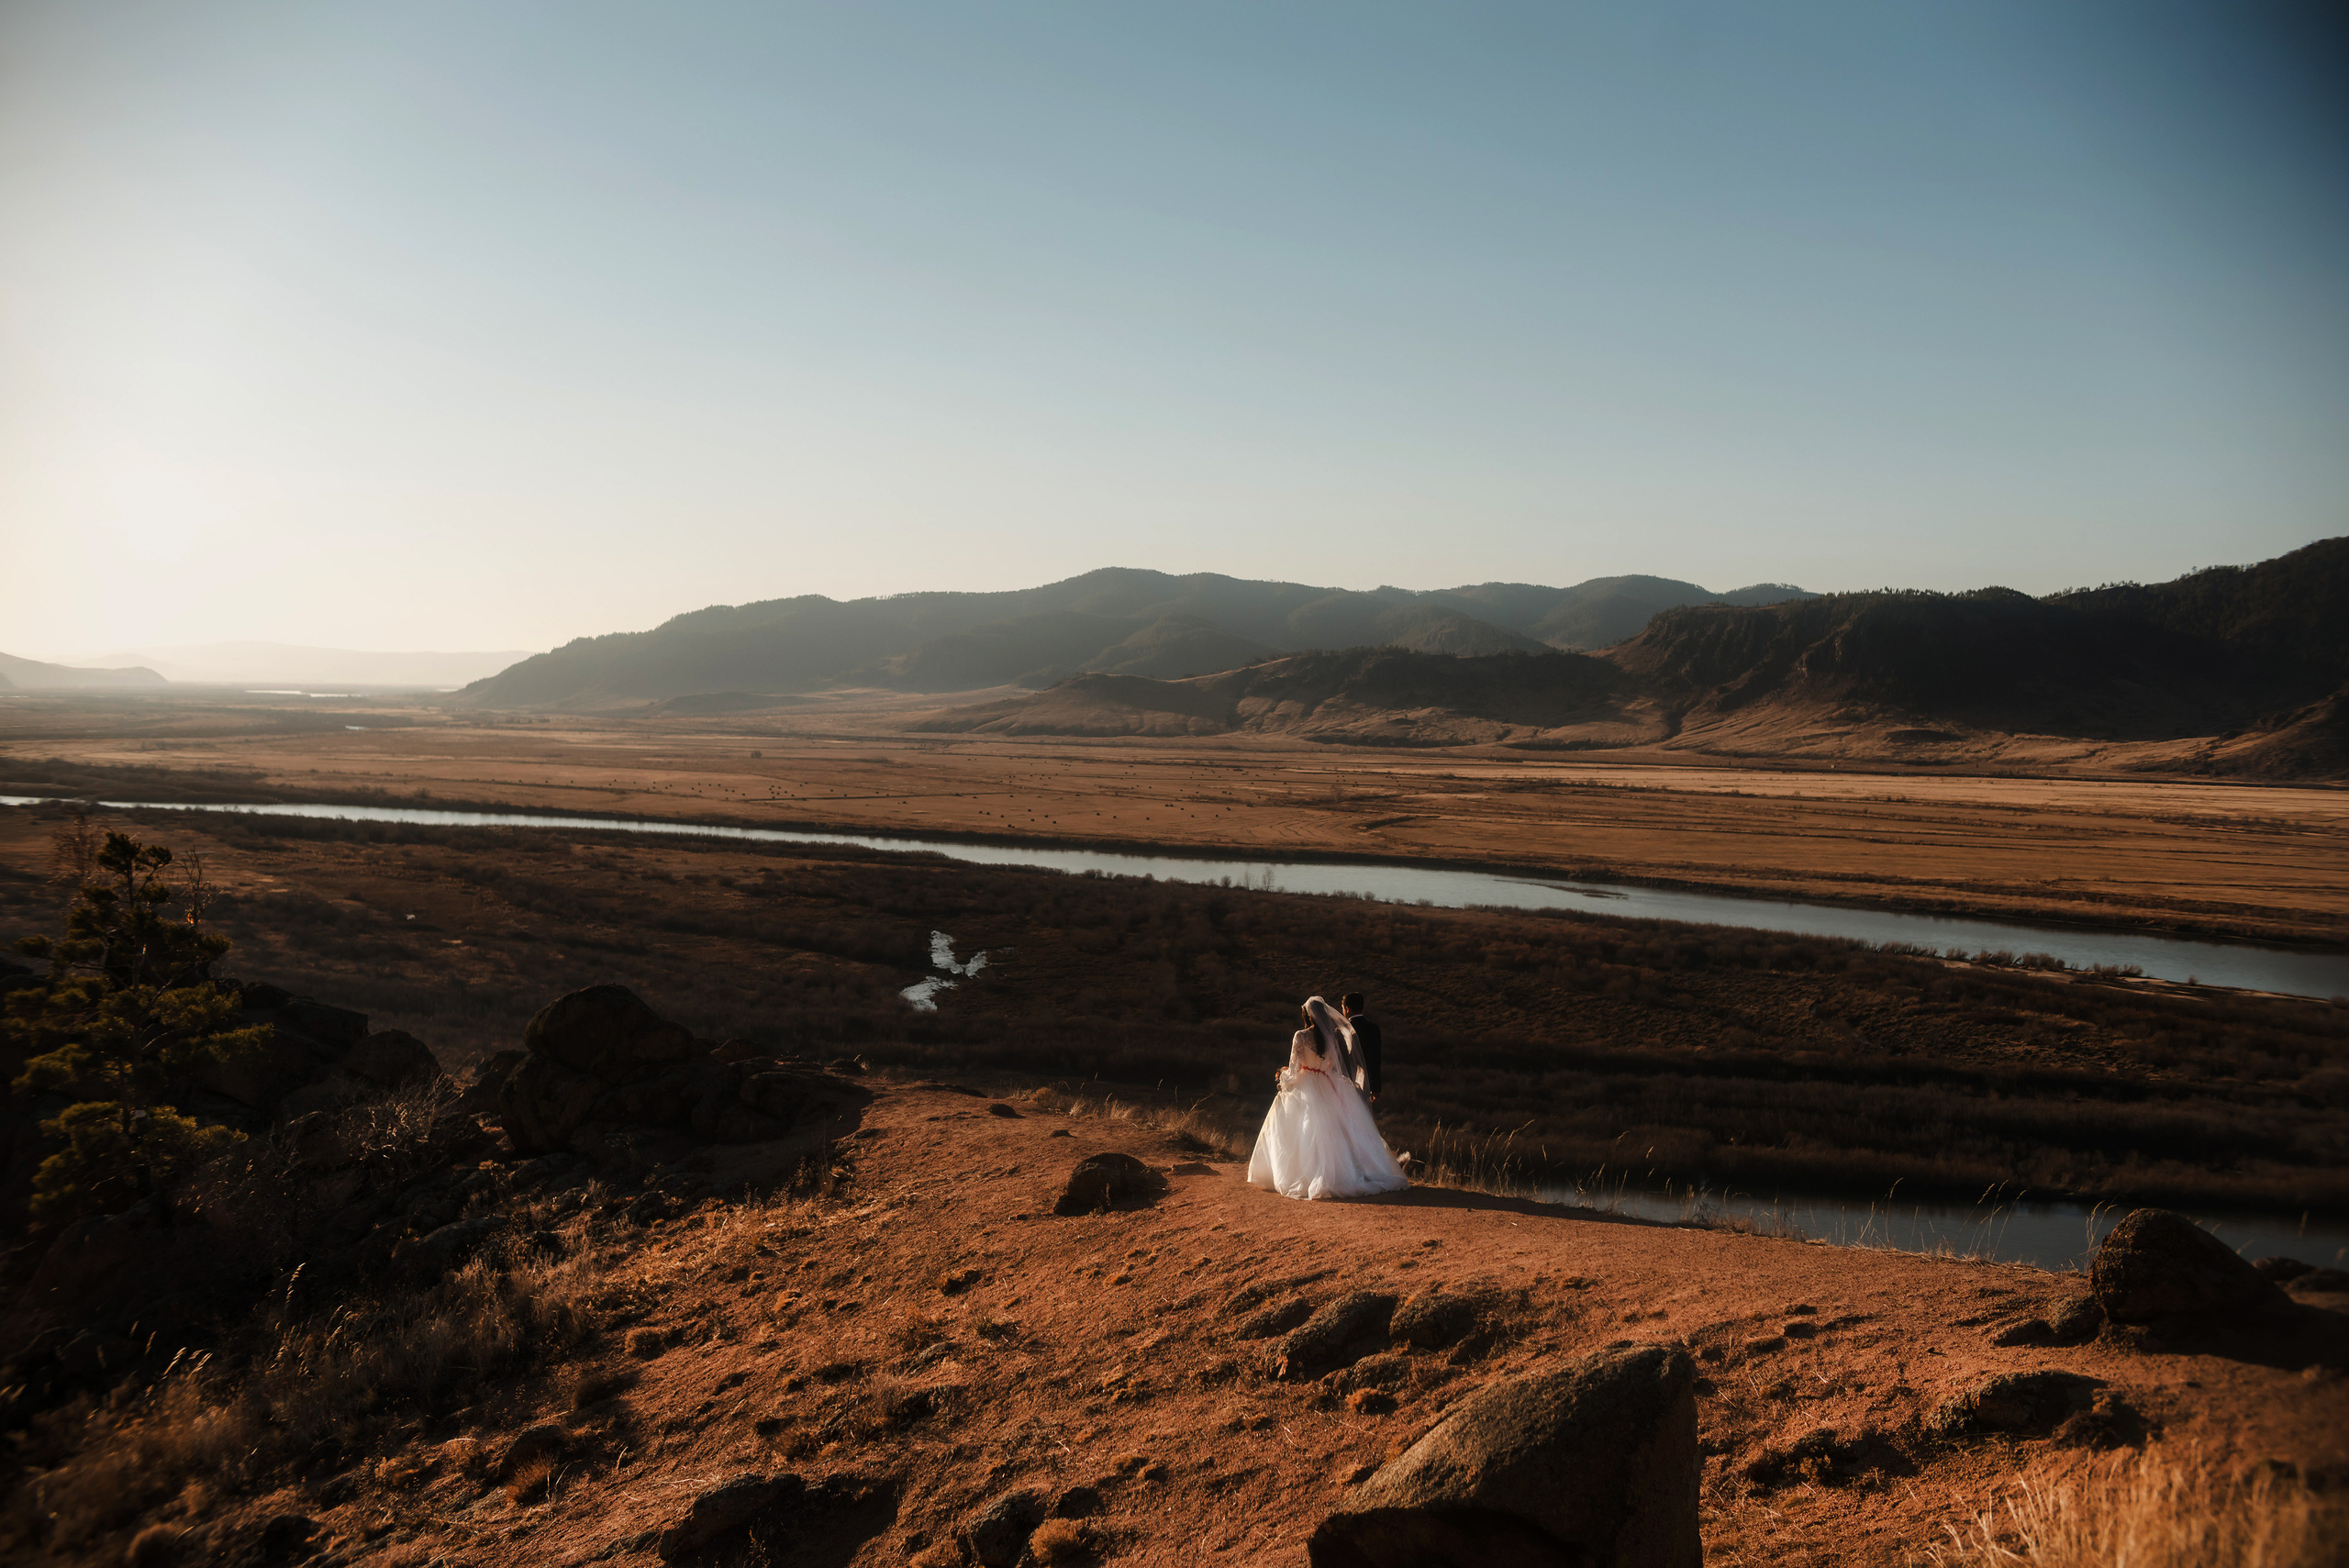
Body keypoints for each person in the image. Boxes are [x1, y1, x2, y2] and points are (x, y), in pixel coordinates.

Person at [1245, 995, 1408, 1201]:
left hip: (1307, 1085)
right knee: (1334, 1131)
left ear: (1307, 1016)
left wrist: (1282, 1077)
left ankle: (1288, 1172)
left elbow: (1294, 1070)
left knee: (1292, 1117)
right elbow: (1332, 1067)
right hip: (1328, 1083)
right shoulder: (1333, 1037)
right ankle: (1343, 1172)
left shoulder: (1301, 1036)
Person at [1340, 992, 1381, 1102]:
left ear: (1347, 1009)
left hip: (1346, 1082)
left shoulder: (1343, 1029)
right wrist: (1375, 1087)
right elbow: (1376, 1059)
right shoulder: (1374, 1028)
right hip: (1366, 1083)